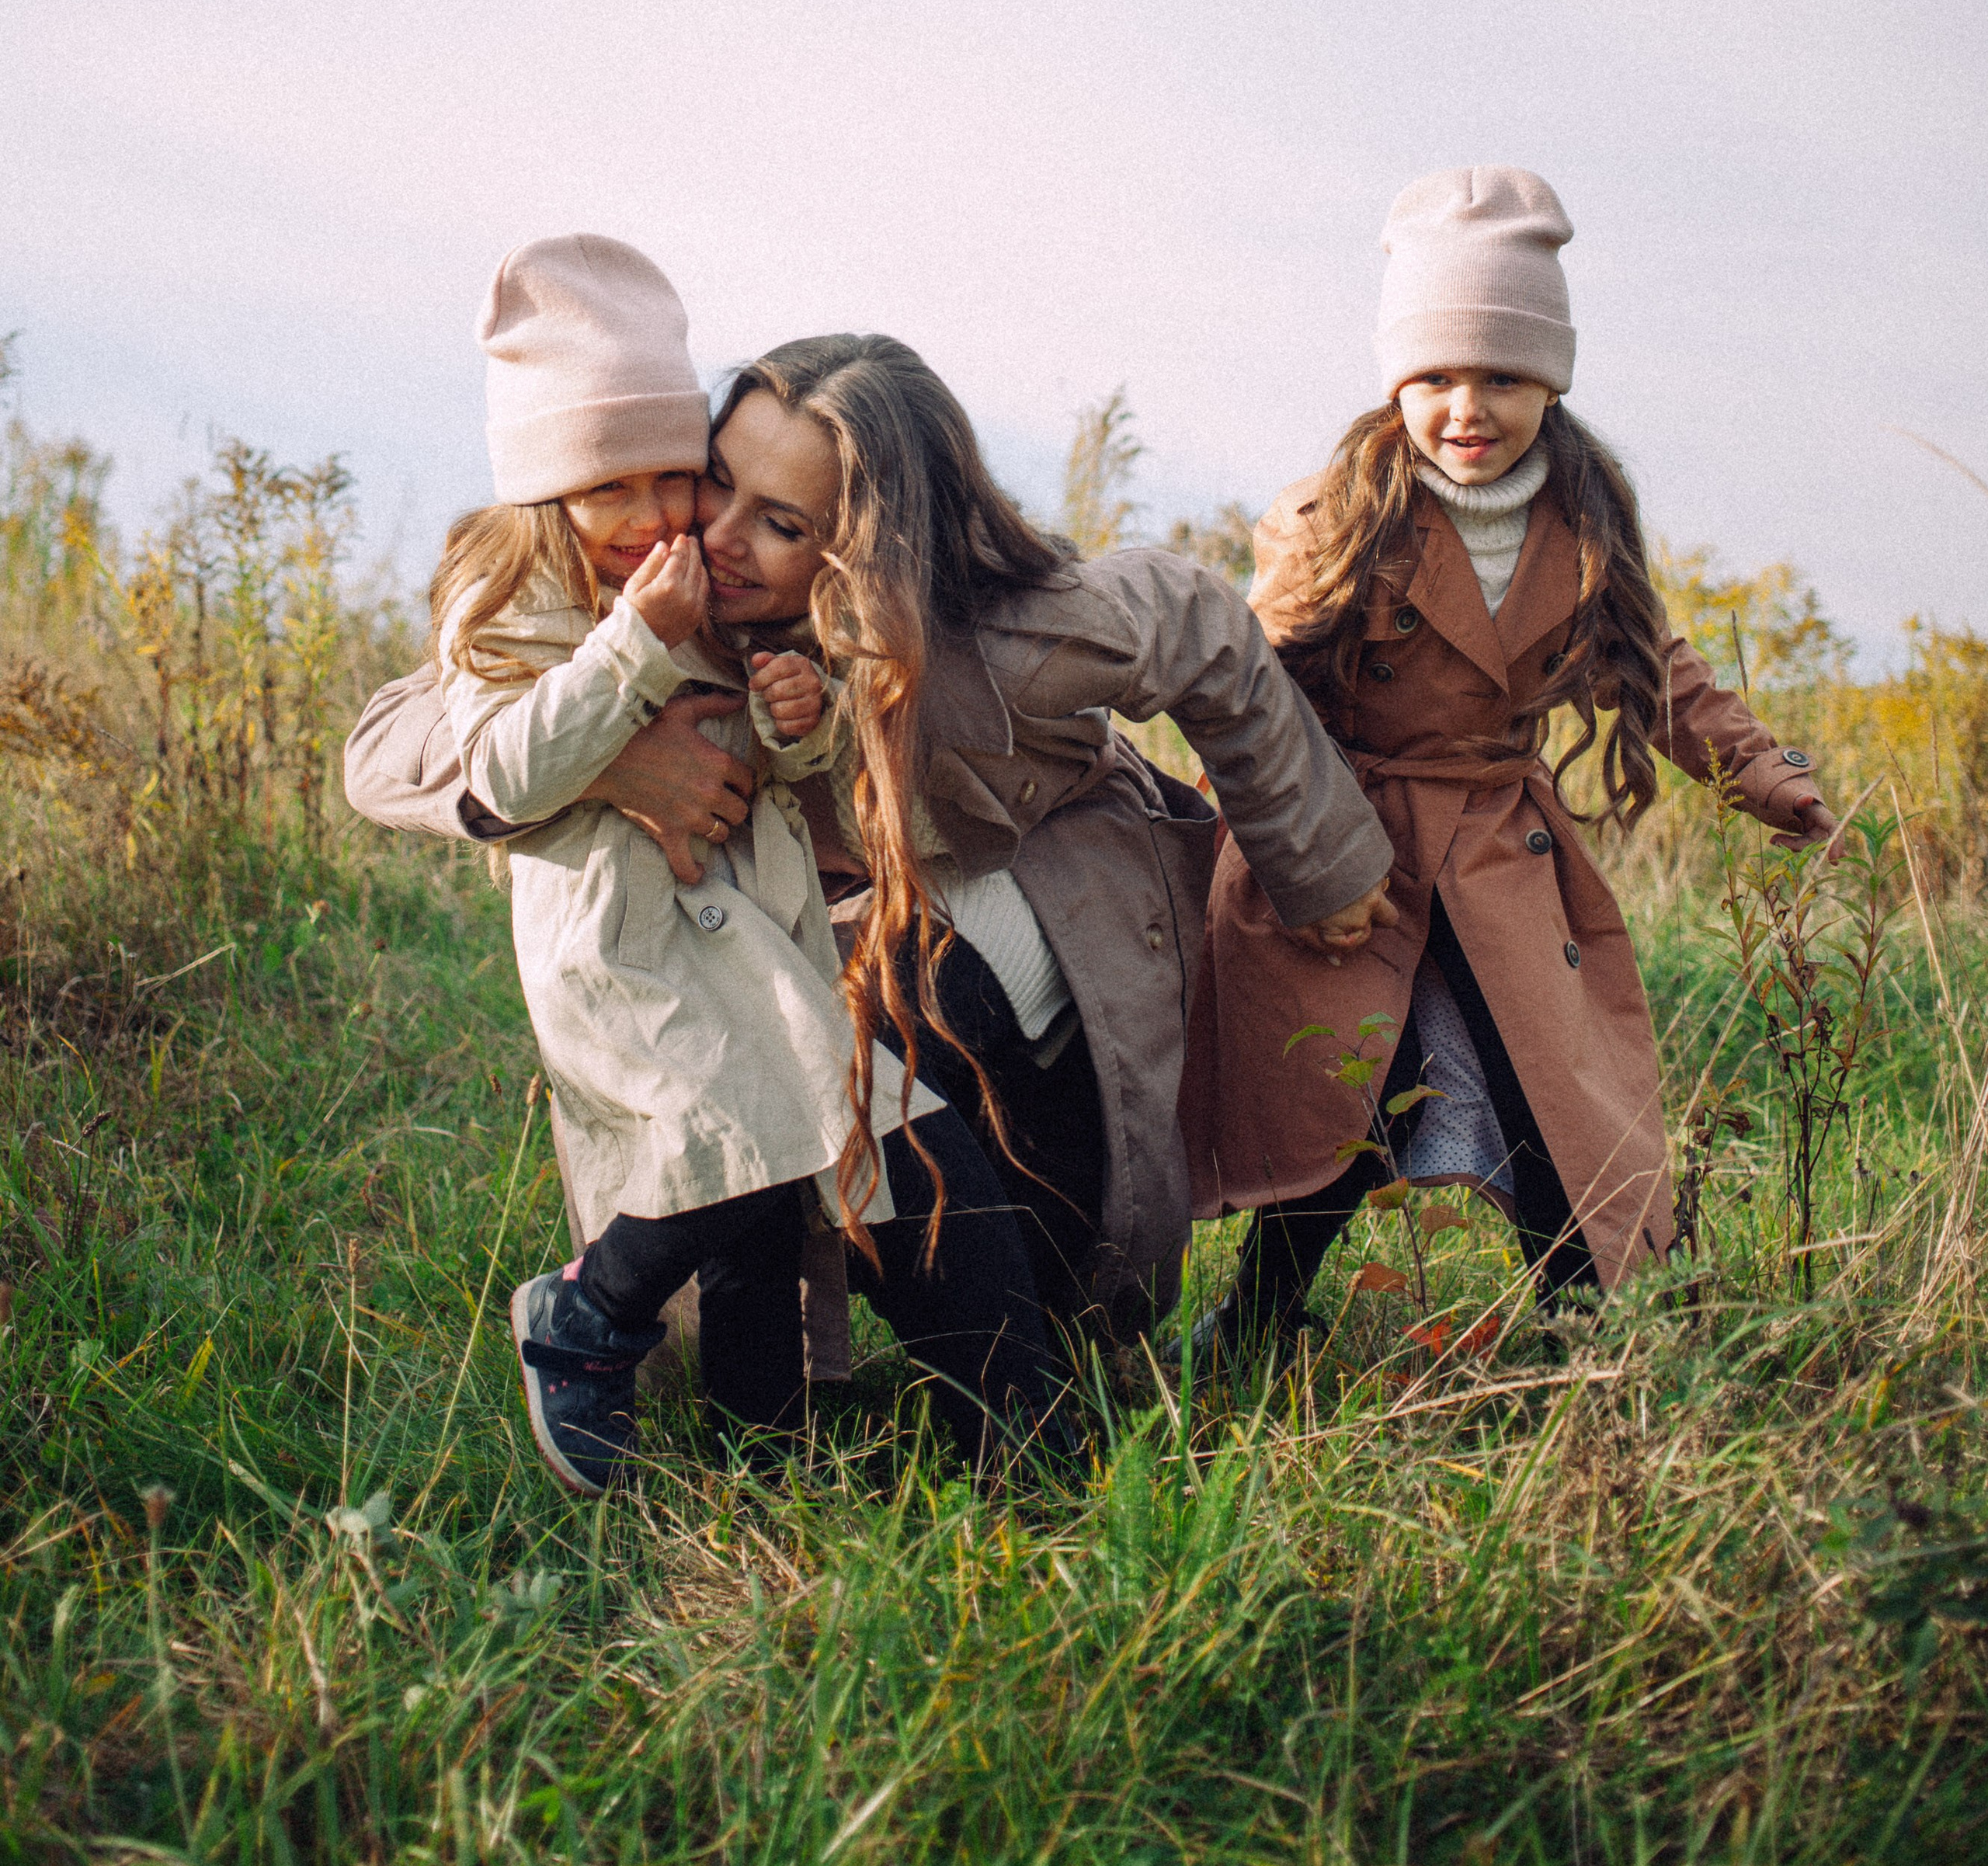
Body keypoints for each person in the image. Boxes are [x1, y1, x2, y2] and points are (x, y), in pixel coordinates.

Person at [346, 329, 1395, 1375]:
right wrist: (616, 766)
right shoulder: (659, 605)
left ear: (867, 547)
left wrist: (1320, 864)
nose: (715, 535)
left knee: (1062, 1293)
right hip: (844, 936)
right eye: (717, 481)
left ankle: (1039, 1355)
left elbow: (1201, 620)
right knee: (811, 1063)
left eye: (782, 523)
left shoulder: (1014, 636)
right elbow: (388, 744)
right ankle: (813, 1382)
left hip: (1048, 934)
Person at [433, 235, 1066, 1496]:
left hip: (772, 948)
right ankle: (595, 1318)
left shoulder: (716, 596)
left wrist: (800, 722)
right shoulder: (553, 599)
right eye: (674, 483)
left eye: (680, 480)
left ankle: (847, 1452)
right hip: (636, 956)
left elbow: (773, 765)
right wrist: (628, 723)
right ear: (547, 493)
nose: (674, 522)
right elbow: (476, 760)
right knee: (748, 1155)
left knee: (831, 1176)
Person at [1182, 167, 1838, 1363]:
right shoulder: (1335, 515)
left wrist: (1767, 774)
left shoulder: (1582, 525)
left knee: (1547, 1093)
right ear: (1397, 382)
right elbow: (1249, 701)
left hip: (1494, 854)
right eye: (1435, 377)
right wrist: (1307, 856)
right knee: (1348, 1091)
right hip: (1346, 847)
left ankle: (1592, 1335)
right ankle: (1256, 1322)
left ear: (1551, 383)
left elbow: (1658, 670)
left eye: (1503, 377)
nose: (1467, 409)